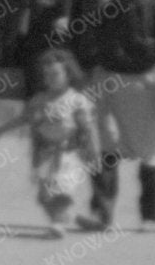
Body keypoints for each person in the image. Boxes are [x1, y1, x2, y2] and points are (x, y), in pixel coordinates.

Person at [84, 0, 155, 228]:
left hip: (146, 85)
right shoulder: (107, 9)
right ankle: (102, 212)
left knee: (152, 154)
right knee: (104, 149)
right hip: (108, 83)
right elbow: (91, 47)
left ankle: (150, 216)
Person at [25, 49, 104, 233]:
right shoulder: (39, 100)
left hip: (69, 153)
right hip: (46, 154)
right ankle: (72, 217)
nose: (50, 78)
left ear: (68, 74)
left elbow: (87, 128)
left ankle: (58, 225)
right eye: (46, 74)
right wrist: (35, 157)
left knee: (61, 188)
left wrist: (93, 151)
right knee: (44, 197)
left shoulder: (77, 100)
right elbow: (35, 131)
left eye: (56, 74)